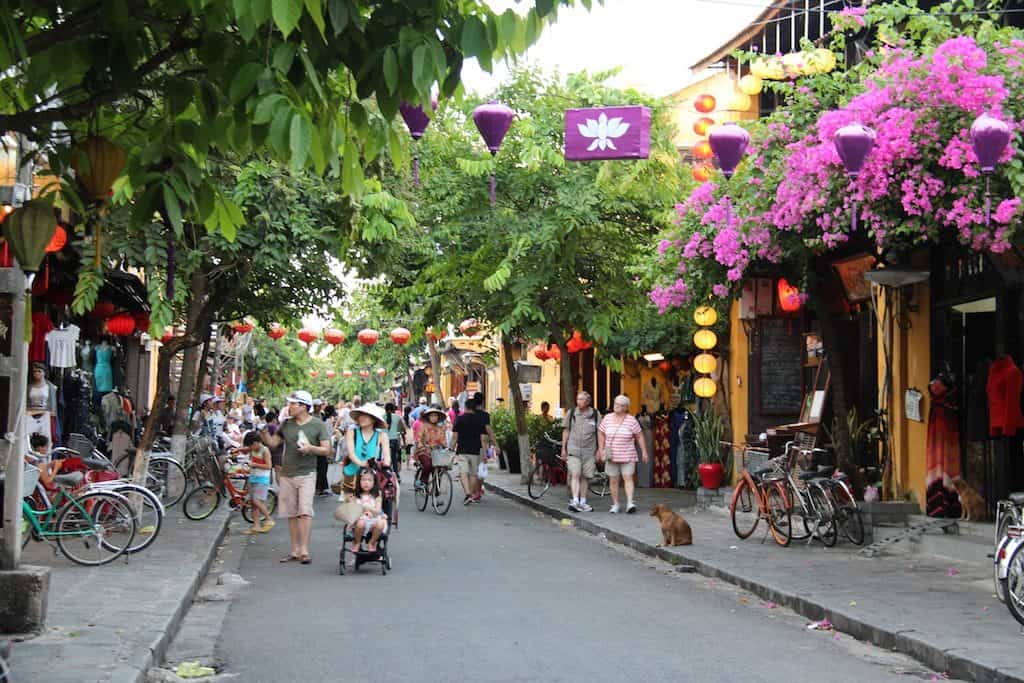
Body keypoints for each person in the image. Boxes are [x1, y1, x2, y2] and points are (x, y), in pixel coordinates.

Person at [260, 390, 332, 565]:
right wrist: (263, 434)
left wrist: (310, 449)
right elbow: (273, 443)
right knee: (291, 513)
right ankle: (295, 550)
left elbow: (327, 450)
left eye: (293, 404)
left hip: (307, 473)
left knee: (305, 511)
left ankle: (305, 550)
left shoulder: (317, 425)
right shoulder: (286, 424)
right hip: (287, 474)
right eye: (289, 403)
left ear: (303, 406)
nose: (289, 407)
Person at [597, 394, 649, 514]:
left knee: (628, 477)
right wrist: (600, 449)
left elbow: (639, 436)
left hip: (628, 454)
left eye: (620, 405)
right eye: (615, 404)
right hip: (611, 455)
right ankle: (615, 504)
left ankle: (630, 503)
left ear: (626, 407)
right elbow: (601, 433)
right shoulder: (607, 418)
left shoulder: (631, 420)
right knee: (613, 480)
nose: (617, 406)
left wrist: (644, 451)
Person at [562, 391, 600, 512]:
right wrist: (563, 448)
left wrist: (600, 449)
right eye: (578, 399)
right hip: (574, 450)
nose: (579, 402)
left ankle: (583, 501)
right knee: (575, 473)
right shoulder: (572, 413)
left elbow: (600, 432)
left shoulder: (595, 414)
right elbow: (566, 431)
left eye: (582, 400)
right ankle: (575, 500)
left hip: (589, 451)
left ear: (588, 401)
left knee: (585, 477)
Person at [342, 403, 391, 497]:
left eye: (366, 416)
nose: (362, 418)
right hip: (352, 475)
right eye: (361, 415)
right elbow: (351, 453)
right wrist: (362, 464)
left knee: (378, 504)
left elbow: (387, 456)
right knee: (352, 508)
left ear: (373, 419)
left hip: (372, 477)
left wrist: (385, 464)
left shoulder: (382, 435)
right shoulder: (352, 432)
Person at [451, 397, 489, 505]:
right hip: (476, 450)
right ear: (475, 407)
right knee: (473, 473)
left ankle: (467, 493)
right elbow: (483, 438)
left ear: (465, 407)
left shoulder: (459, 419)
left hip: (462, 449)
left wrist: (451, 449)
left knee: (463, 472)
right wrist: (485, 452)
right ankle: (471, 494)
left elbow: (454, 437)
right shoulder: (480, 420)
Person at [242, 432, 275, 535]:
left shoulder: (265, 451)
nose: (250, 448)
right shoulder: (253, 449)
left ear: (256, 443)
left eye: (251, 445)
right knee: (253, 503)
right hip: (253, 478)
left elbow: (269, 466)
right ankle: (256, 526)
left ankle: (269, 519)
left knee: (256, 500)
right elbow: (245, 451)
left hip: (262, 480)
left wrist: (254, 464)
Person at [351, 468, 387, 554]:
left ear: (374, 482)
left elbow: (378, 510)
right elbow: (352, 510)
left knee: (381, 523)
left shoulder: (377, 496)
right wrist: (361, 511)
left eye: (369, 480)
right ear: (359, 482)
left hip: (373, 520)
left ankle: (372, 542)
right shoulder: (356, 496)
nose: (366, 482)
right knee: (360, 523)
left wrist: (368, 509)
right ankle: (357, 542)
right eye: (363, 480)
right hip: (360, 520)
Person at [415, 406, 448, 489]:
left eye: (435, 416)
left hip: (436, 452)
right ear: (428, 417)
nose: (434, 418)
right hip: (424, 451)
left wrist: (446, 448)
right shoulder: (423, 426)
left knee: (438, 469)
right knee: (427, 464)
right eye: (432, 416)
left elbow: (443, 441)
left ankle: (436, 491)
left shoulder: (440, 429)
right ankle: (422, 482)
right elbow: (418, 438)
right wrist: (421, 445)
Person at [384, 403, 405, 476]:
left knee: (382, 457)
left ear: (385, 410)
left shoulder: (381, 417)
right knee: (394, 458)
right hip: (394, 440)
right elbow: (402, 429)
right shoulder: (397, 417)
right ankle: (396, 474)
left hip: (383, 440)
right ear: (394, 409)